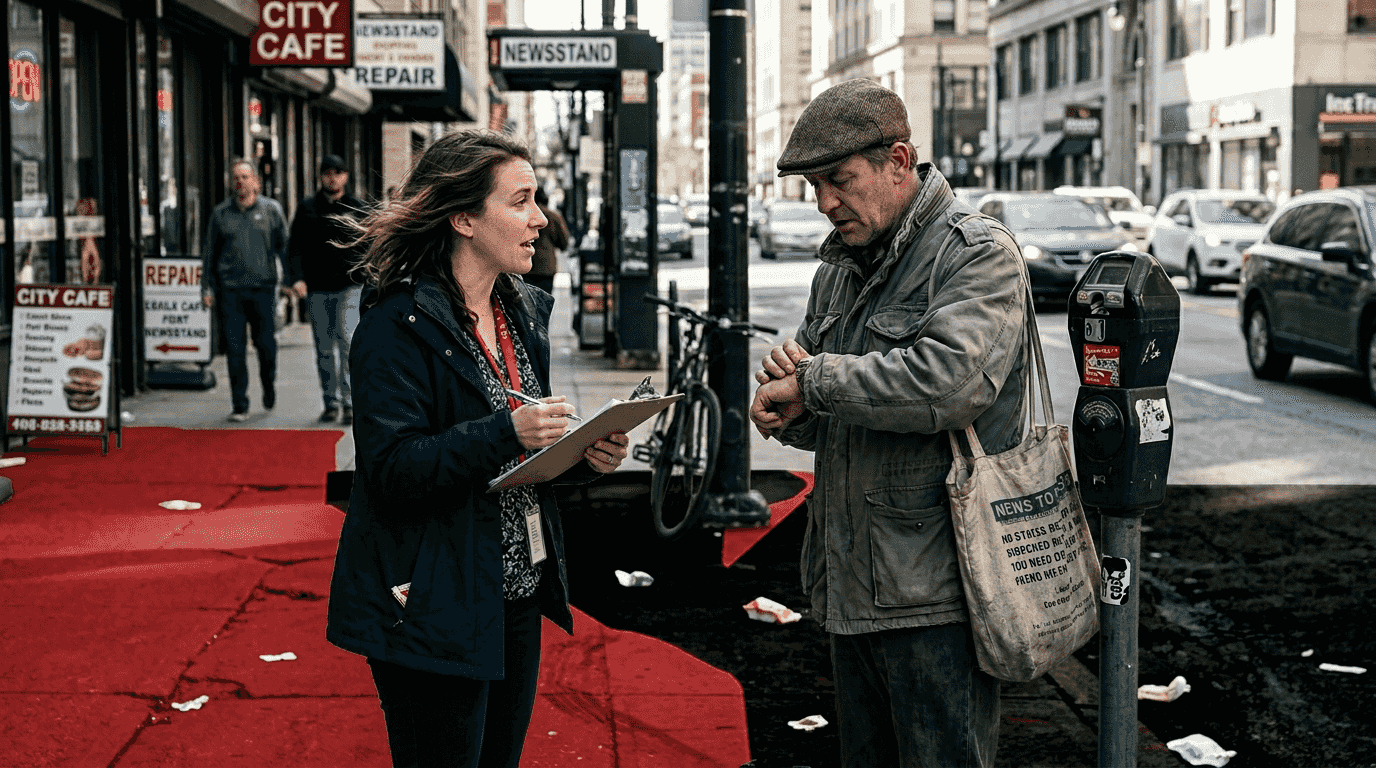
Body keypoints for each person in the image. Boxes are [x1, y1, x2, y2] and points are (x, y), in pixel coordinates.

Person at [325, 129, 631, 768]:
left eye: (536, 199)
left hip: (515, 590)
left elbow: (517, 464)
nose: (539, 219)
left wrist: (581, 456)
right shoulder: (394, 325)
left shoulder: (519, 313)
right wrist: (507, 432)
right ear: (463, 218)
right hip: (433, 596)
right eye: (520, 201)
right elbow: (391, 469)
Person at [747, 78, 1031, 767]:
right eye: (814, 186)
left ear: (899, 162)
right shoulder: (840, 269)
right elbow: (835, 412)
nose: (825, 203)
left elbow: (949, 384)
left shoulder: (975, 253)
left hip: (938, 593)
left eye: (839, 180)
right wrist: (790, 409)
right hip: (854, 583)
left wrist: (814, 379)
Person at [201, 158, 292, 422]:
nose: (240, 182)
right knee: (235, 349)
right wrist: (206, 288)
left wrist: (289, 281)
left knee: (266, 346)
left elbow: (284, 248)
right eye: (236, 178)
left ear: (256, 182)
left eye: (245, 177)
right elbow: (210, 254)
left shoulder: (271, 210)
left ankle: (268, 385)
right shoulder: (221, 214)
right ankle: (239, 404)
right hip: (231, 292)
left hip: (263, 289)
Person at [288, 153, 368, 424]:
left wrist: (366, 276)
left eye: (337, 173)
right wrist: (297, 279)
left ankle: (349, 402)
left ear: (345, 176)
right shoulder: (307, 208)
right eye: (327, 173)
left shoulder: (358, 208)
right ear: (321, 177)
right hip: (317, 288)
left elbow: (369, 245)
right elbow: (295, 246)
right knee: (324, 348)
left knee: (347, 343)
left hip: (349, 286)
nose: (332, 178)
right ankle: (330, 402)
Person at [526, 187, 568, 295]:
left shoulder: (524, 216)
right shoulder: (554, 217)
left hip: (527, 266)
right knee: (544, 301)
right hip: (547, 267)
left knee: (527, 302)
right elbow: (564, 243)